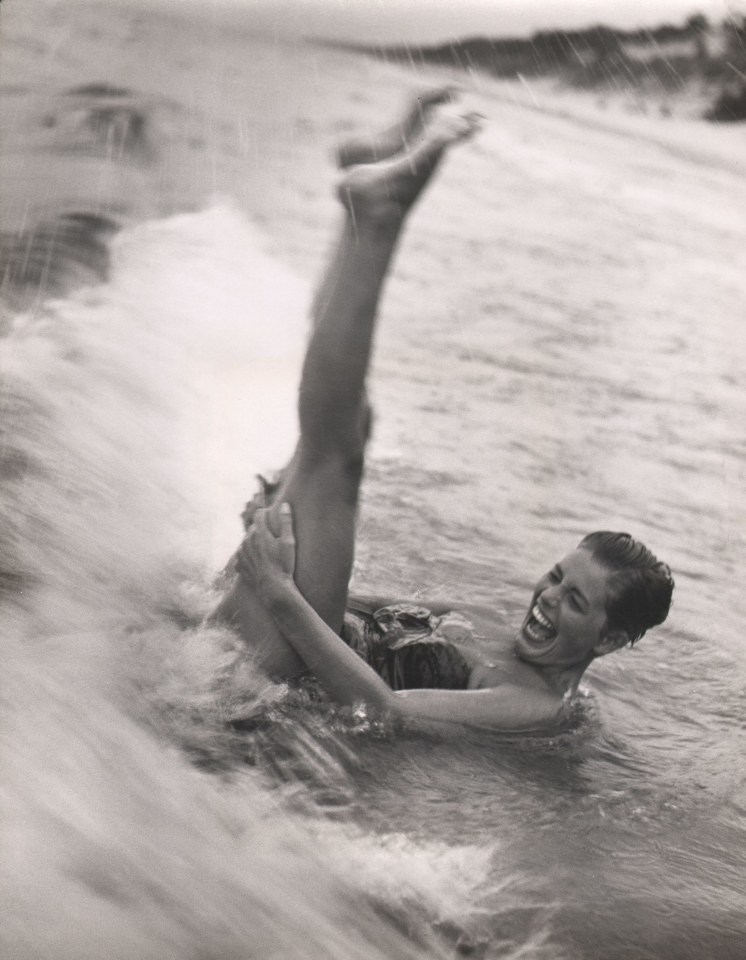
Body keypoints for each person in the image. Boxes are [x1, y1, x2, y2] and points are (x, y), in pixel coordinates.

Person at [214, 91, 674, 733]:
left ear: (610, 639)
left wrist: (280, 593)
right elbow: (372, 612)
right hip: (282, 631)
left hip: (268, 681)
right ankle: (360, 215)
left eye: (574, 601)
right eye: (554, 577)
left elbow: (386, 712)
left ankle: (371, 219)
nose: (545, 600)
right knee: (348, 431)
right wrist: (278, 558)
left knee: (338, 454)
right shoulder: (503, 633)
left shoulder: (533, 707)